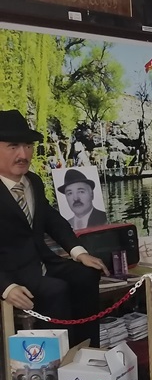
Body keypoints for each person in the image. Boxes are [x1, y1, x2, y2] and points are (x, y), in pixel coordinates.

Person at [0, 109, 108, 347]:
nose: (23, 154)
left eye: (28, 146)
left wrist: (79, 252)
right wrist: (6, 287)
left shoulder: (33, 181)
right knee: (55, 289)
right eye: (13, 146)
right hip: (11, 273)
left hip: (43, 263)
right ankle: (57, 362)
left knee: (86, 274)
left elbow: (52, 220)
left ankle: (88, 350)